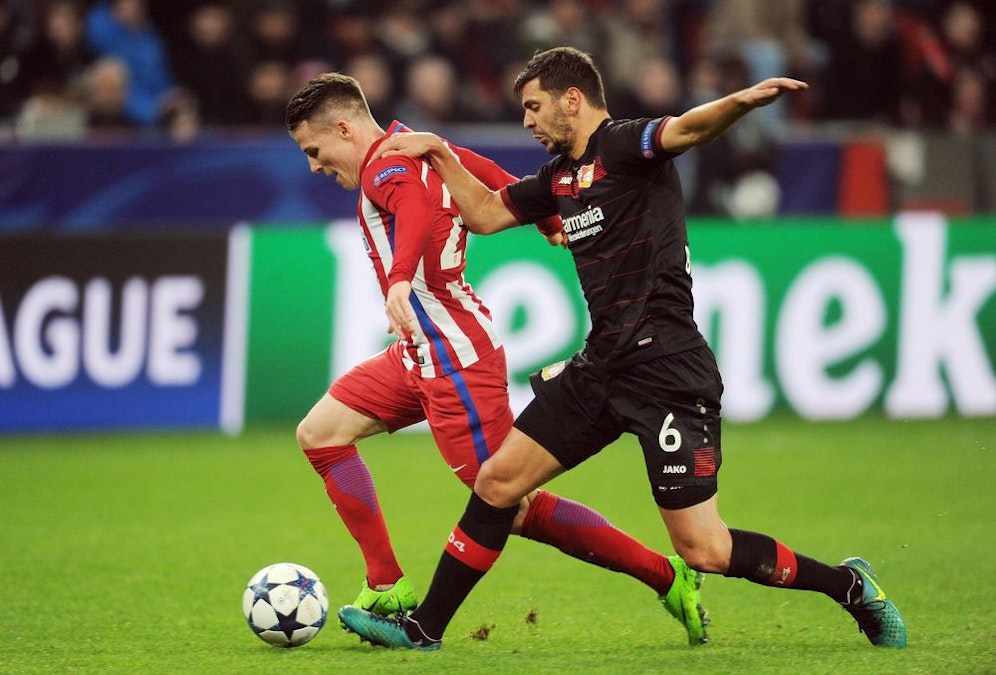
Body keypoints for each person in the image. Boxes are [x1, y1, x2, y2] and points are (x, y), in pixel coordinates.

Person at [338, 46, 907, 650]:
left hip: (668, 372)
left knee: (705, 549)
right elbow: (481, 213)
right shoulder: (558, 178)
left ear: (572, 100)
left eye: (534, 107)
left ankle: (848, 585)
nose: (527, 121)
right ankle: (424, 629)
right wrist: (440, 153)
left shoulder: (623, 146)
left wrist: (740, 102)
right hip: (601, 367)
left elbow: (687, 129)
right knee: (497, 483)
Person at [283, 71, 710, 647]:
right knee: (321, 434)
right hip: (418, 352)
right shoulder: (412, 143)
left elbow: (413, 205)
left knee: (512, 502)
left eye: (314, 151)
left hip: (454, 359)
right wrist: (549, 217)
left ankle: (666, 575)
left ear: (343, 128)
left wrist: (400, 279)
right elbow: (477, 166)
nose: (315, 166)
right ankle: (386, 585)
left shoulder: (385, 169)